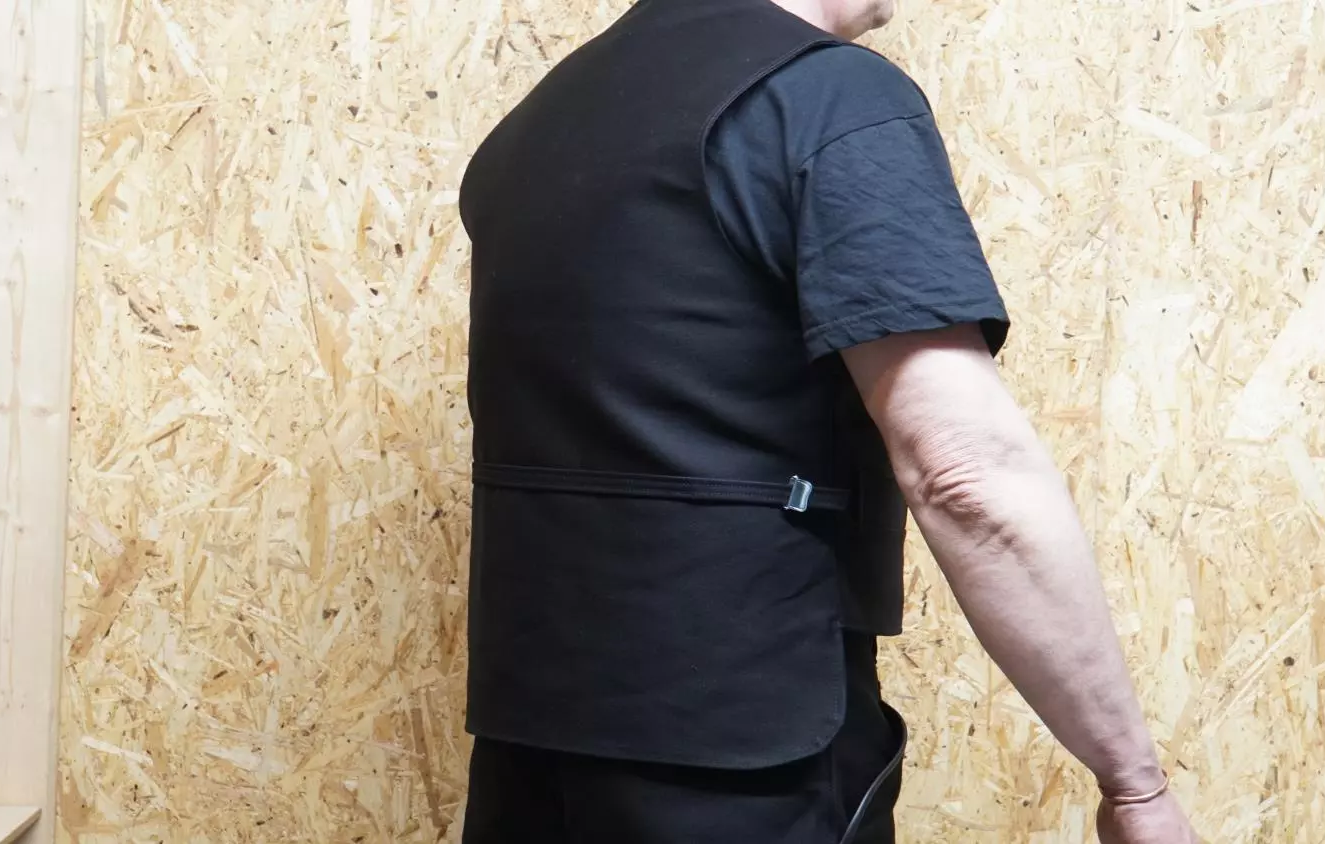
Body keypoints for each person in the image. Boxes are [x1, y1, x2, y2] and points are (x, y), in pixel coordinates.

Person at [456, 0, 1201, 841]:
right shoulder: (823, 98)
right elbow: (964, 474)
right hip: (745, 776)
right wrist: (1134, 784)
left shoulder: (538, 124)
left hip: (528, 762)